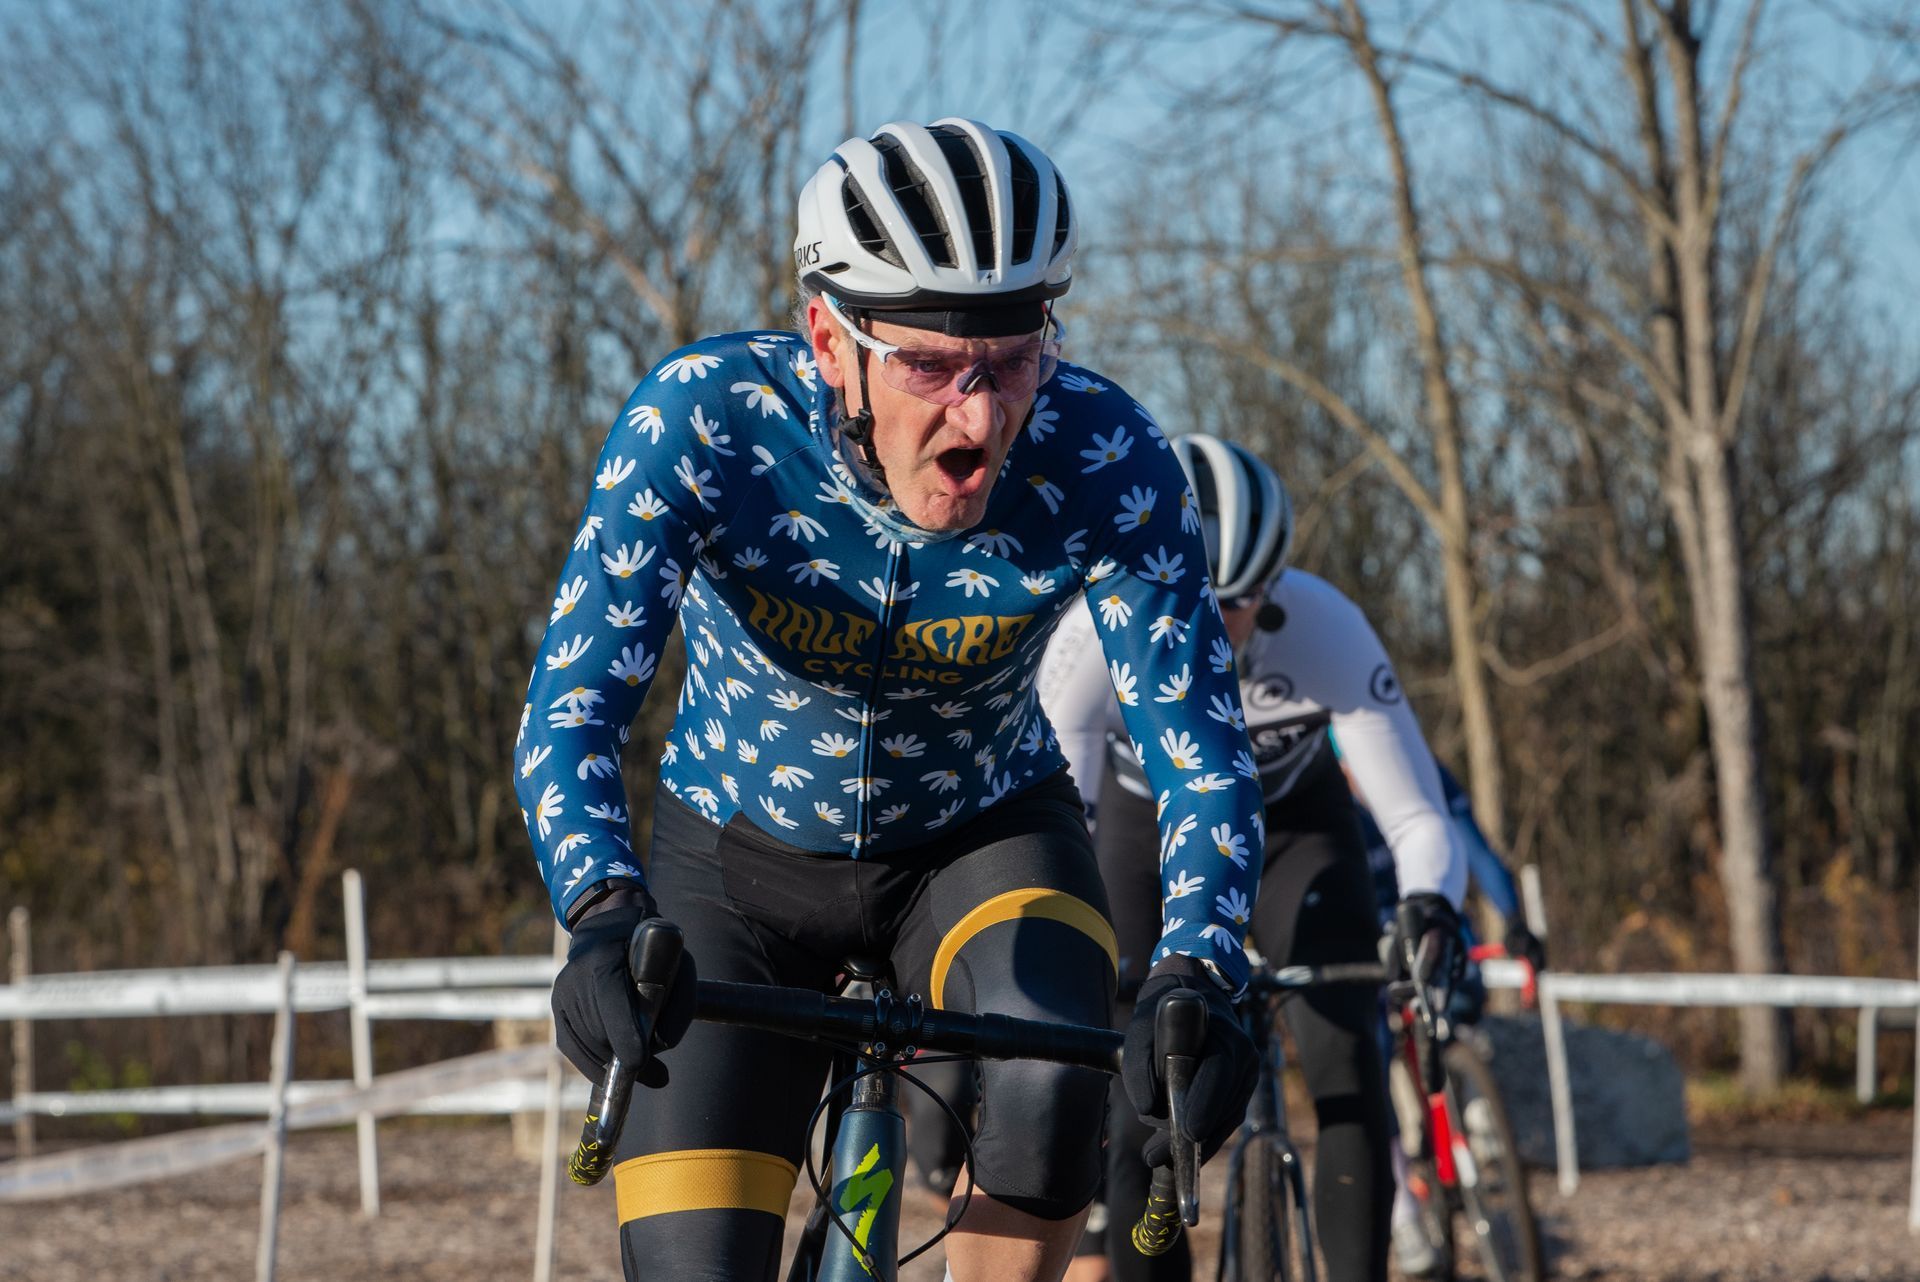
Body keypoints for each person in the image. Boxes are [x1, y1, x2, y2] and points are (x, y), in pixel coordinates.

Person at [513, 119, 1265, 1282]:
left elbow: (1204, 755)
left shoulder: (1106, 456)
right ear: (828, 337)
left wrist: (1204, 967)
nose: (979, 416)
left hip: (983, 841)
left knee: (1055, 1083)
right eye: (927, 366)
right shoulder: (704, 424)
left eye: (1013, 360)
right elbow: (570, 709)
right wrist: (602, 908)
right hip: (733, 866)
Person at [1030, 435, 1468, 1282]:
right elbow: (1064, 826)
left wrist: (1430, 905)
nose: (1204, 618)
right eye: (1181, 589)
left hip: (1294, 830)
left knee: (1347, 1063)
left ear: (1271, 593)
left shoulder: (1327, 626)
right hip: (1142, 834)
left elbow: (1416, 817)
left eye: (1231, 601)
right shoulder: (1090, 640)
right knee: (1136, 1087)